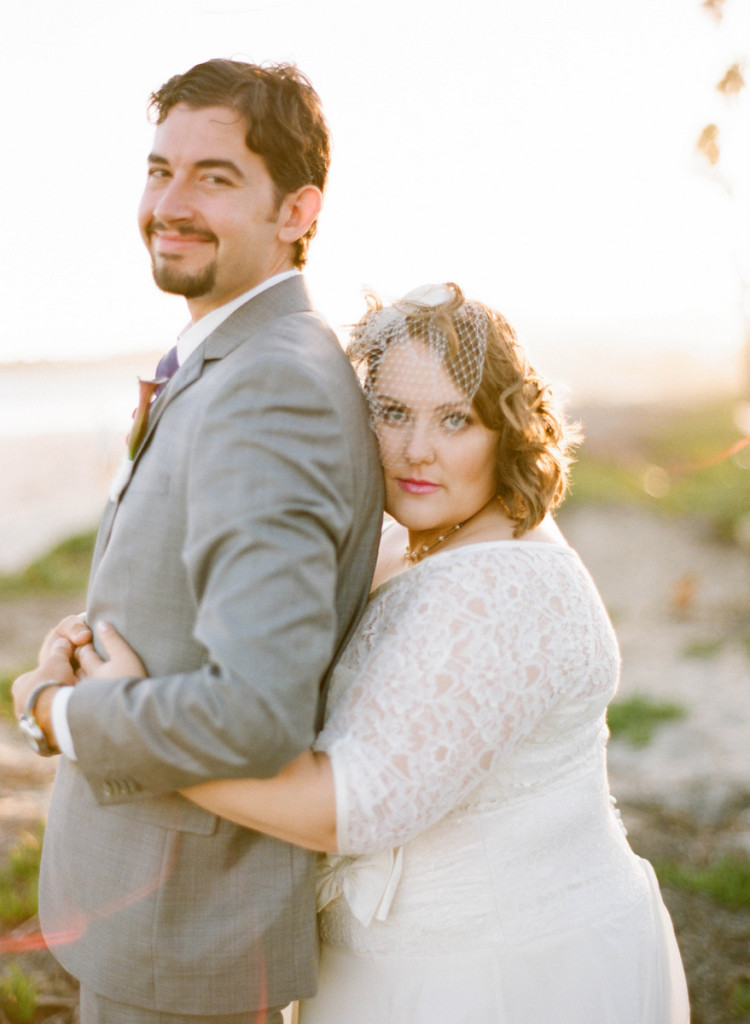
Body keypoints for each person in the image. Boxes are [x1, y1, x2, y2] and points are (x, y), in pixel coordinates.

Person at [33, 283, 691, 1022]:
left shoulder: (503, 588)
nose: (417, 449)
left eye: (456, 419)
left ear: (506, 429)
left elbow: (341, 810)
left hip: (494, 981)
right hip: (399, 966)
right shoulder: (411, 543)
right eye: (392, 412)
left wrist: (110, 723)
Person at [11, 59, 383, 1024]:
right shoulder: (242, 357)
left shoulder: (273, 385)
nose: (170, 203)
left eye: (216, 177)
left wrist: (59, 714)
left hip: (187, 926)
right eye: (159, 169)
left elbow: (256, 713)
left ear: (298, 211)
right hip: (159, 914)